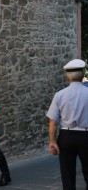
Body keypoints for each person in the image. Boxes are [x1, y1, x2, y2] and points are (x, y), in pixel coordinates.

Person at [46, 59, 88, 190]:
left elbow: (53, 120)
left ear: (66, 76)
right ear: (83, 74)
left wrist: (52, 141)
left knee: (67, 174)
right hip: (86, 135)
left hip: (66, 135)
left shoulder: (59, 95)